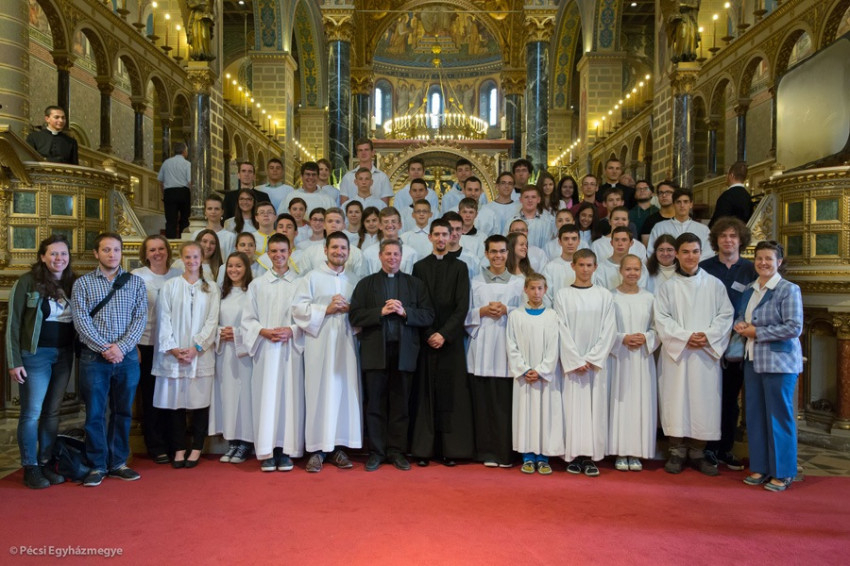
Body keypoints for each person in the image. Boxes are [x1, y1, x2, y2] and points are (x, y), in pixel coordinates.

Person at [350, 240, 434, 471]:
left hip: (405, 353)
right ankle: (376, 452)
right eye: (388, 254)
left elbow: (428, 315)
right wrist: (380, 311)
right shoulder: (366, 284)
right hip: (375, 352)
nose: (392, 258)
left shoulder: (415, 284)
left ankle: (397, 451)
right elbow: (354, 316)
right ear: (380, 256)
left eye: (396, 254)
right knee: (375, 404)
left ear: (401, 256)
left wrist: (405, 312)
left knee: (401, 405)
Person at [654, 233, 734, 476]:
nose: (691, 256)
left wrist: (708, 336)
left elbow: (725, 315)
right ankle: (676, 450)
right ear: (677, 254)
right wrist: (685, 336)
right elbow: (661, 318)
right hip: (677, 355)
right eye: (685, 252)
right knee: (675, 399)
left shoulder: (714, 285)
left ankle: (698, 451)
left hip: (704, 354)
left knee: (703, 400)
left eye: (695, 251)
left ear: (701, 253)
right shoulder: (667, 287)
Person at [71, 232, 147, 487]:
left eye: (116, 249)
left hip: (126, 358)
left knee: (123, 412)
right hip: (94, 358)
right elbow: (81, 321)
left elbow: (140, 319)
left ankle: (118, 463)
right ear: (96, 253)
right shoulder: (83, 284)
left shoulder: (135, 283)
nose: (112, 254)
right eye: (106, 250)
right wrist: (105, 348)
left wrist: (121, 348)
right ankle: (97, 465)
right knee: (95, 413)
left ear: (121, 252)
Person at [7, 235, 77, 488]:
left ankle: (46, 462)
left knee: (52, 412)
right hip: (35, 355)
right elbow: (13, 323)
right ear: (43, 257)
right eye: (53, 253)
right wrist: (14, 361)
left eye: (63, 253)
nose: (59, 258)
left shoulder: (73, 283)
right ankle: (31, 467)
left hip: (63, 355)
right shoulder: (27, 282)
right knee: (32, 413)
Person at [734, 241, 803, 492]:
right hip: (752, 359)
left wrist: (757, 332)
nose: (763, 263)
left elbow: (794, 327)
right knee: (755, 416)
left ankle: (783, 472)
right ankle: (761, 467)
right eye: (759, 258)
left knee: (779, 418)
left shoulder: (788, 289)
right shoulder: (750, 289)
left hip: (779, 363)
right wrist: (740, 324)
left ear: (779, 262)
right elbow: (743, 316)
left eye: (769, 259)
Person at [292, 232, 362, 472]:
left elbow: (362, 312)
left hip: (346, 344)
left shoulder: (354, 280)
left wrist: (350, 308)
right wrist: (327, 309)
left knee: (344, 394)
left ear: (349, 252)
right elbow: (298, 309)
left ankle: (337, 448)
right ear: (325, 250)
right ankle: (316, 449)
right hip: (319, 344)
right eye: (334, 247)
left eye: (343, 248)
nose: (339, 252)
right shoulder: (312, 277)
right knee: (319, 393)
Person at [410, 220, 474, 466]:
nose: (440, 238)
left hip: (450, 341)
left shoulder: (460, 267)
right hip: (425, 340)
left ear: (451, 237)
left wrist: (444, 334)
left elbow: (462, 305)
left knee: (450, 394)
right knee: (425, 395)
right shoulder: (419, 267)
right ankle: (424, 451)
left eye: (444, 234)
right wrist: (429, 333)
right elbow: (416, 303)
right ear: (429, 237)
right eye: (436, 234)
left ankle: (450, 450)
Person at [152, 242, 220, 469]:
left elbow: (212, 320)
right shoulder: (170, 286)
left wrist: (196, 347)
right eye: (188, 257)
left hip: (200, 354)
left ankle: (197, 447)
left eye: (195, 257)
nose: (192, 261)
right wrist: (173, 348)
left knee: (200, 403)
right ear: (181, 259)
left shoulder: (211, 288)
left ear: (202, 259)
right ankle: (179, 448)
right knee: (176, 404)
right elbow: (164, 318)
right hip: (175, 355)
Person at [242, 234, 305, 471]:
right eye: (274, 251)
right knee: (266, 399)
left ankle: (286, 451)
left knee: (290, 399)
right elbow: (248, 319)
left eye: (283, 251)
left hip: (290, 350)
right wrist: (263, 331)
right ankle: (267, 451)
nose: (279, 255)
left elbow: (306, 318)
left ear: (290, 252)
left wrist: (292, 330)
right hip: (266, 350)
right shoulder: (257, 285)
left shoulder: (300, 283)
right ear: (268, 254)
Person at [553, 249, 616, 477]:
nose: (585, 269)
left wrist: (592, 358)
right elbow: (560, 328)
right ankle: (572, 455)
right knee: (572, 409)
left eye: (589, 265)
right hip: (572, 365)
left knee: (594, 410)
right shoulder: (562, 295)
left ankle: (590, 457)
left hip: (594, 365)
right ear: (573, 266)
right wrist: (575, 359)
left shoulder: (604, 295)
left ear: (596, 267)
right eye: (581, 265)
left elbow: (609, 329)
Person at [701, 217, 757, 471]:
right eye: (723, 236)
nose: (728, 240)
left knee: (731, 398)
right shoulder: (705, 267)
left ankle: (725, 448)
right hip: (708, 340)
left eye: (733, 236)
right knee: (708, 396)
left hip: (737, 342)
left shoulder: (750, 269)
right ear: (716, 240)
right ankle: (707, 447)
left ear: (741, 240)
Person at [465, 235, 525, 467]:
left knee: (504, 404)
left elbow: (527, 314)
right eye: (493, 252)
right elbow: (464, 312)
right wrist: (480, 311)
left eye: (502, 251)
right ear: (486, 254)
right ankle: (486, 453)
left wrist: (507, 310)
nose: (498, 256)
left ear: (508, 254)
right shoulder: (475, 282)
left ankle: (505, 453)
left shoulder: (519, 283)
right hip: (481, 347)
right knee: (483, 404)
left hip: (506, 349)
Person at [132, 235, 181, 465]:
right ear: (145, 253)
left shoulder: (178, 275)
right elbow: (129, 312)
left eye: (161, 248)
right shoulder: (137, 276)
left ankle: (174, 443)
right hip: (146, 344)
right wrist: (133, 346)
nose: (157, 253)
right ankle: (155, 445)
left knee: (171, 396)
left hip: (171, 346)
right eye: (152, 249)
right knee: (150, 395)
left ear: (168, 251)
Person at [507, 273, 563, 475]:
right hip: (524, 377)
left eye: (540, 288)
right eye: (532, 288)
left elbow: (554, 347)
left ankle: (544, 457)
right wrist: (524, 369)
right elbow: (511, 345)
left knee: (545, 415)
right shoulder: (516, 316)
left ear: (545, 290)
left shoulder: (552, 316)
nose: (536, 292)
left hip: (545, 377)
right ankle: (528, 456)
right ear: (525, 290)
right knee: (526, 415)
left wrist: (541, 370)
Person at [607, 255, 659, 471]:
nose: (632, 273)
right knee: (620, 401)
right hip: (619, 358)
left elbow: (657, 327)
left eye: (636, 269)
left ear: (641, 272)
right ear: (620, 271)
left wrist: (646, 337)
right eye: (628, 269)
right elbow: (605, 328)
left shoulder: (649, 298)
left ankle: (637, 451)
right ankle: (620, 451)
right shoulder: (610, 297)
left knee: (640, 402)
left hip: (642, 359)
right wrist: (622, 338)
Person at [208, 252, 255, 467]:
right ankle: (233, 441)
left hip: (244, 354)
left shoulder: (252, 292)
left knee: (245, 396)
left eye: (238, 266)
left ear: (246, 268)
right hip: (224, 352)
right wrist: (219, 332)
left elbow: (256, 324)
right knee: (227, 396)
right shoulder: (220, 293)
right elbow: (211, 321)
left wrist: (237, 334)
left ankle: (245, 442)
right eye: (230, 266)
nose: (234, 270)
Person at [647, 188, 713, 260]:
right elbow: (651, 252)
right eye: (678, 202)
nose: (682, 205)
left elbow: (708, 254)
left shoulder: (703, 229)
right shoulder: (659, 227)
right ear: (673, 204)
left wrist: (691, 264)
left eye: (685, 202)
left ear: (691, 204)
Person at [362, 207, 420, 274]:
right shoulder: (368, 253)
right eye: (386, 222)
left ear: (400, 225)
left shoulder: (411, 253)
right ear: (380, 226)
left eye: (393, 221)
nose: (390, 225)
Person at [339, 139, 392, 205]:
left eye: (366, 150)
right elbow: (343, 205)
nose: (363, 153)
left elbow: (384, 206)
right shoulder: (348, 177)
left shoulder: (382, 177)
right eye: (360, 150)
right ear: (357, 154)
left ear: (373, 152)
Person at [158, 143, 192, 238]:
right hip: (183, 192)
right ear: (184, 152)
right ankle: (183, 239)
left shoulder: (166, 163)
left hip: (169, 193)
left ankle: (170, 241)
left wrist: (164, 194)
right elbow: (190, 181)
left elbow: (161, 181)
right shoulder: (187, 164)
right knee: (184, 219)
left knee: (170, 220)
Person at [542, 224, 581, 307]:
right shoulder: (550, 267)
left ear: (579, 241)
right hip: (557, 313)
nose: (570, 242)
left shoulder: (586, 267)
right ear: (559, 241)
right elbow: (546, 297)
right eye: (566, 239)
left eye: (574, 239)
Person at [710, 161, 753, 227]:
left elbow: (718, 222)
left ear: (731, 175)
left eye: (727, 174)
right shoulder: (748, 197)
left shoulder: (726, 196)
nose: (726, 177)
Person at [193, 195, 235, 259]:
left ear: (222, 212)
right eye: (210, 209)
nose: (213, 212)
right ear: (205, 212)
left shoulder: (230, 237)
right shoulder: (196, 234)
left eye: (217, 209)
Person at [640, 181, 676, 246]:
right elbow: (646, 247)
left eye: (668, 192)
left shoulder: (683, 218)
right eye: (660, 193)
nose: (664, 195)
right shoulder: (650, 220)